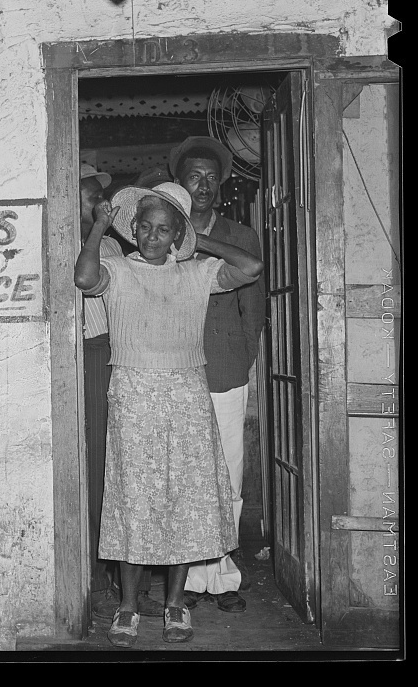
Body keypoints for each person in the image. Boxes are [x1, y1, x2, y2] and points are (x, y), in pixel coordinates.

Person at [74, 181, 263, 646]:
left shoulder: (196, 273)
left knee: (186, 502)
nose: (154, 236)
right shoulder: (116, 271)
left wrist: (199, 243)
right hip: (134, 396)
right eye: (146, 227)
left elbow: (252, 267)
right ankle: (128, 607)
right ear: (133, 229)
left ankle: (176, 605)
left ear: (177, 235)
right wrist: (100, 225)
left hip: (187, 396)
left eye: (165, 229)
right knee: (132, 501)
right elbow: (83, 279)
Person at [168, 137, 266, 614]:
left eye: (210, 177)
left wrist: (240, 358)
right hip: (175, 372)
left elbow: (255, 308)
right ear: (180, 183)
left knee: (228, 472)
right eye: (194, 177)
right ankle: (183, 578)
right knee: (185, 475)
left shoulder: (240, 235)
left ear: (220, 182)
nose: (203, 185)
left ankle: (223, 575)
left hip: (226, 369)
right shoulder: (162, 232)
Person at [79, 163, 165, 622]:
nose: (101, 204)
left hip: (119, 358)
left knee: (132, 471)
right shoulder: (61, 242)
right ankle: (91, 576)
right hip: (80, 363)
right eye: (90, 195)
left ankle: (135, 584)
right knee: (93, 473)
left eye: (101, 196)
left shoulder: (114, 244)